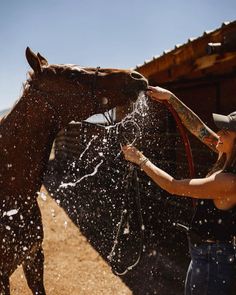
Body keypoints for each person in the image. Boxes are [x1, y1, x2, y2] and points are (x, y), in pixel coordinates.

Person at [122, 85, 236, 295]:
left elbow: (173, 186)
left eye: (226, 131)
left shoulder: (228, 181)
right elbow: (198, 128)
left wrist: (141, 160)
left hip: (214, 260)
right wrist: (171, 99)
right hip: (204, 254)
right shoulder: (225, 158)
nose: (218, 133)